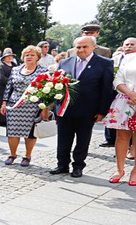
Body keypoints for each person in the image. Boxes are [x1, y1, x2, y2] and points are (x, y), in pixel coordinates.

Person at [49, 36, 114, 178]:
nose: (81, 50)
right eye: (78, 47)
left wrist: (102, 111)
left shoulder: (104, 63)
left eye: (85, 46)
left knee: (83, 140)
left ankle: (78, 166)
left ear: (93, 47)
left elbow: (106, 89)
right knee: (63, 139)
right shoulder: (65, 62)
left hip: (88, 110)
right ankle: (62, 164)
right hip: (65, 109)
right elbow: (56, 86)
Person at [0, 46, 47, 167]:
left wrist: (44, 108)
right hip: (14, 105)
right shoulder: (15, 69)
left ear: (38, 57)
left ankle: (27, 156)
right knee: (12, 131)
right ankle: (12, 154)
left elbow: (46, 92)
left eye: (32, 55)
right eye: (27, 55)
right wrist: (4, 103)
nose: (29, 57)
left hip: (33, 106)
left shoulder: (43, 71)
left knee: (30, 133)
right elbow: (8, 87)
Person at [103, 38, 136, 184]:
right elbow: (118, 79)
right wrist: (131, 94)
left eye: (132, 44)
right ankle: (120, 169)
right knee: (122, 136)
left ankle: (135, 172)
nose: (129, 46)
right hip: (125, 100)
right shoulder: (127, 58)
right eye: (127, 44)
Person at [0, 49, 15, 127]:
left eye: (10, 56)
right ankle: (0, 119)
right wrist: (10, 82)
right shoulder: (0, 65)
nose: (9, 58)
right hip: (1, 87)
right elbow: (1, 77)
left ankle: (8, 119)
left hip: (11, 87)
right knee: (0, 102)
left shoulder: (14, 66)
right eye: (7, 56)